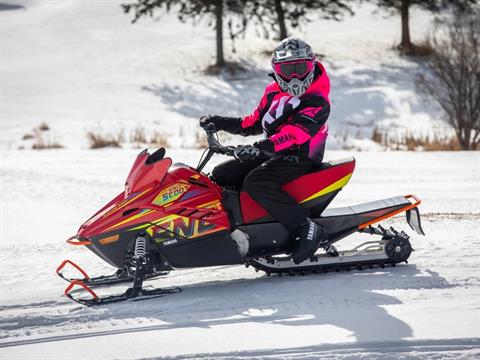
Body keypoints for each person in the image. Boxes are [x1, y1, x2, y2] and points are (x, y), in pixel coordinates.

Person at [200, 37, 333, 264]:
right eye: (287, 70)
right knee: (222, 174)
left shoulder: (317, 100)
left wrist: (259, 148)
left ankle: (306, 228)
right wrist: (220, 122)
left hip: (302, 155)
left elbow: (295, 133)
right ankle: (234, 228)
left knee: (257, 181)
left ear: (311, 67)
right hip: (274, 150)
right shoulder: (272, 92)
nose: (294, 77)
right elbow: (253, 122)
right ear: (276, 70)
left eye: (300, 69)